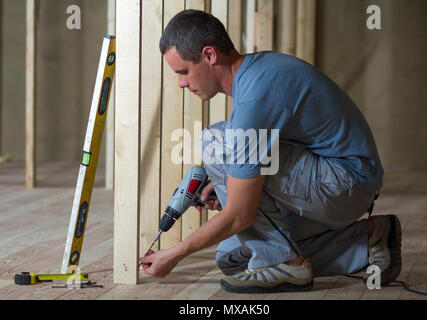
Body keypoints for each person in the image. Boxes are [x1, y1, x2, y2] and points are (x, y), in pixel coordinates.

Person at [140, 9, 402, 294]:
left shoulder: (256, 97)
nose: (181, 83)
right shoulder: (256, 73)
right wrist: (227, 184)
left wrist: (173, 255)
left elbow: (240, 216)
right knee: (233, 259)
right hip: (331, 181)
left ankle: (287, 263)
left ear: (210, 55)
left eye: (183, 72)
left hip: (345, 183)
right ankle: (368, 240)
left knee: (216, 140)